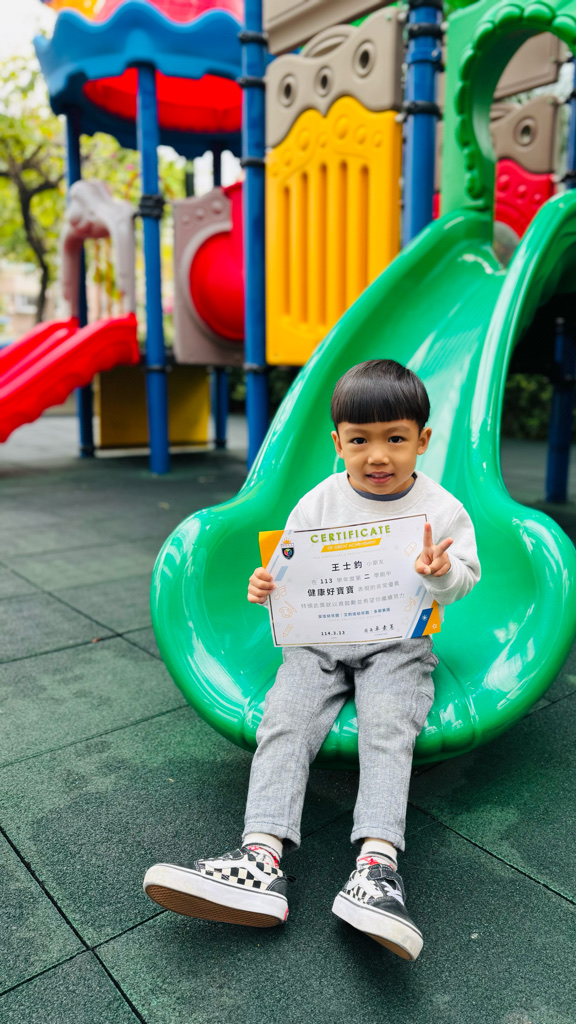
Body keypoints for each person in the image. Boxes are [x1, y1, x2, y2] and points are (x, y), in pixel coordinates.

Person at [143, 359, 481, 961]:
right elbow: (288, 571)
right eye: (359, 441)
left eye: (395, 439)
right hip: (320, 639)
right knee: (286, 720)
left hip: (397, 642)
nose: (378, 456)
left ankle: (376, 865)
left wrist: (442, 572)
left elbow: (464, 581)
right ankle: (260, 856)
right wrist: (265, 585)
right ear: (338, 443)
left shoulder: (442, 508)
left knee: (389, 726)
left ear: (422, 440)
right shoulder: (320, 501)